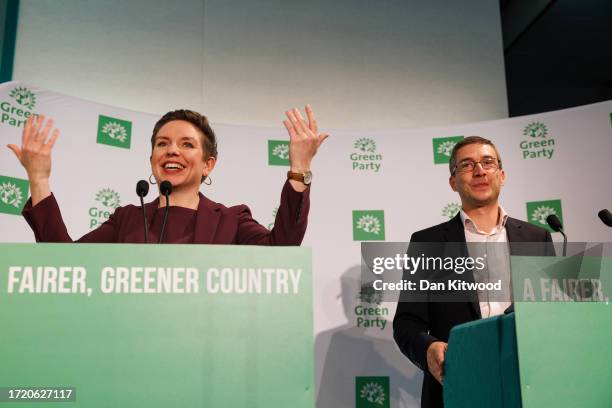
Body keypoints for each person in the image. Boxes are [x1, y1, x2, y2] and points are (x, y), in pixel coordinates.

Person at [7, 106, 327, 244]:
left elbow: (283, 248)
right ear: (152, 159)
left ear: (208, 165)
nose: (172, 150)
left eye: (186, 144)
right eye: (163, 144)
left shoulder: (231, 220)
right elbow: (66, 267)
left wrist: (299, 168)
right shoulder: (126, 221)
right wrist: (39, 178)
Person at [393, 136, 553, 408]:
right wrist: (429, 348)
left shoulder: (537, 239)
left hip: (527, 380)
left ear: (501, 175)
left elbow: (549, 312)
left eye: (487, 162)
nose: (479, 170)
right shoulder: (428, 243)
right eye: (467, 165)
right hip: (458, 380)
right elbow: (407, 322)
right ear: (453, 182)